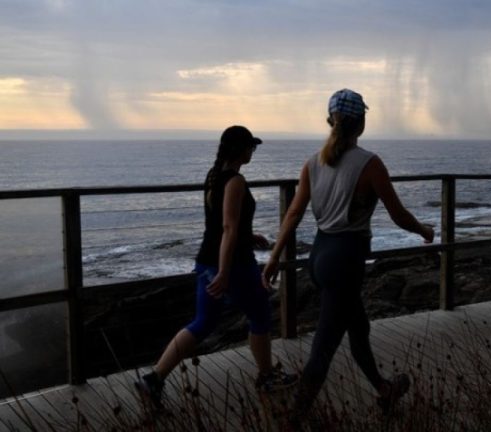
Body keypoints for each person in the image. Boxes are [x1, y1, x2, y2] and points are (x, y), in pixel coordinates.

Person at [262, 89, 435, 420]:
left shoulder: (312, 163)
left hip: (320, 253)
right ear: (363, 123)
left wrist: (273, 259)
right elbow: (398, 214)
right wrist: (425, 231)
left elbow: (294, 214)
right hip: (345, 259)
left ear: (330, 121)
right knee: (323, 348)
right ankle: (296, 417)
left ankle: (384, 389)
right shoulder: (369, 164)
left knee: (358, 327)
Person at [135, 125, 297, 408]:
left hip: (206, 260)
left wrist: (248, 236)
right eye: (250, 147)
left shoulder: (213, 177)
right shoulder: (235, 181)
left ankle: (154, 378)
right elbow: (228, 228)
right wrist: (224, 271)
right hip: (233, 264)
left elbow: (222, 224)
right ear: (240, 149)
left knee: (203, 322)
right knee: (260, 314)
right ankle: (267, 376)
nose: (252, 152)